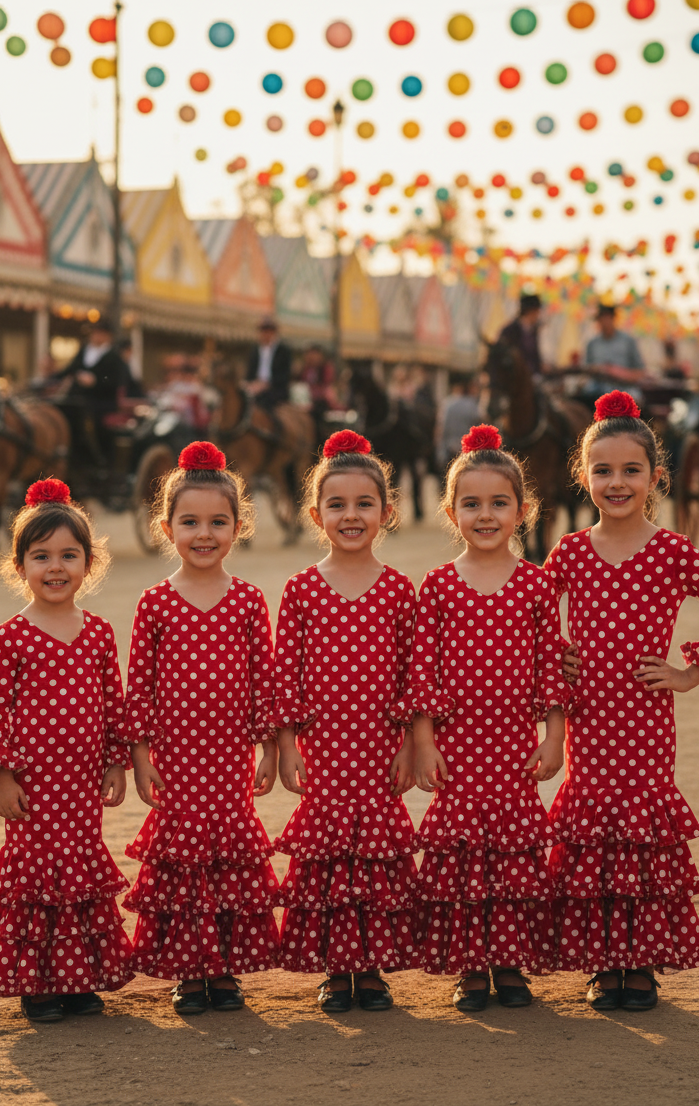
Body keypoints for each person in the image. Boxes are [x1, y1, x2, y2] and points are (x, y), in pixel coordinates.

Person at [545, 390, 699, 1011]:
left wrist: (691, 671)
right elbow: (533, 618)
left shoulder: (671, 550)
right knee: (594, 826)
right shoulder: (570, 552)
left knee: (640, 828)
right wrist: (558, 657)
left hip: (645, 720)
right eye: (603, 470)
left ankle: (640, 961)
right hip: (589, 717)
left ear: (655, 477)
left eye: (630, 470)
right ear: (583, 476)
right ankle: (603, 958)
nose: (617, 482)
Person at [398, 425, 569, 1011]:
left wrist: (555, 737)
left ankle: (510, 961)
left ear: (523, 511)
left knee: (514, 852)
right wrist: (423, 741)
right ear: (451, 512)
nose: (486, 515)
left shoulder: (538, 586)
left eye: (499, 504)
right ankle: (471, 965)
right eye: (472, 504)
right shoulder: (438, 587)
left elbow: (551, 668)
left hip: (514, 746)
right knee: (463, 856)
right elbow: (421, 673)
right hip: (460, 746)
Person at [0, 479, 132, 1023]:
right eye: (41, 557)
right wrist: (3, 778)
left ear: (88, 562)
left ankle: (79, 978)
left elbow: (113, 703)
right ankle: (38, 983)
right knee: (36, 870)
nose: (55, 568)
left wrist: (114, 764)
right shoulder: (12, 636)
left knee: (79, 866)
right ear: (19, 565)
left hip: (81, 782)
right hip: (33, 785)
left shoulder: (99, 633)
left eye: (68, 556)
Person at [120, 441, 281, 1015]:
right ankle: (189, 969)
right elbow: (137, 688)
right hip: (175, 760)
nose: (204, 533)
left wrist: (269, 750)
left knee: (227, 854)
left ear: (239, 526)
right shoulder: (155, 602)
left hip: (230, 757)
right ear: (166, 528)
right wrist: (140, 757)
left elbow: (266, 680)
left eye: (217, 521)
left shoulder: (247, 600)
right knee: (182, 854)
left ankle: (225, 967)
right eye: (190, 522)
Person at [272, 430, 417, 1013]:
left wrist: (410, 745)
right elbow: (287, 677)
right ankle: (336, 968)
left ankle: (373, 967)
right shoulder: (301, 590)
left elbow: (414, 678)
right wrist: (287, 747)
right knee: (329, 851)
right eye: (337, 505)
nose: (351, 515)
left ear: (387, 511)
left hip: (381, 749)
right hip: (325, 750)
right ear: (316, 514)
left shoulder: (400, 592)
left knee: (377, 853)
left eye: (364, 504)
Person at [53, 320, 127, 469]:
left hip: (101, 401)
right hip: (77, 399)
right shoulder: (84, 351)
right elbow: (69, 370)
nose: (95, 336)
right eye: (94, 333)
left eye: (99, 333)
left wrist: (95, 382)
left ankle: (99, 461)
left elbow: (115, 381)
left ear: (108, 336)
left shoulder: (114, 357)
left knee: (93, 423)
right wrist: (49, 379)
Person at [581, 304, 645, 405]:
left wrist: (618, 373)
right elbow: (586, 370)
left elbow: (640, 372)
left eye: (606, 318)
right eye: (601, 319)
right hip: (598, 387)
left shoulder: (628, 341)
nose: (603, 322)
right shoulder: (592, 344)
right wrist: (596, 370)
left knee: (635, 400)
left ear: (613, 319)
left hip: (624, 387)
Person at [245, 316, 292, 412]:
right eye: (263, 331)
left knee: (263, 401)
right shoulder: (255, 350)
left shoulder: (283, 351)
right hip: (255, 386)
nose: (265, 334)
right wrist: (249, 383)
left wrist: (265, 384)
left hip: (275, 388)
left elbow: (285, 375)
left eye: (269, 331)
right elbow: (250, 372)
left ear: (274, 333)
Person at [495, 293, 544, 379]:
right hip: (514, 379)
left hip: (533, 377)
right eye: (537, 312)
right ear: (531, 311)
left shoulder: (533, 330)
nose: (538, 315)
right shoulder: (509, 331)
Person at [435, 375, 480, 468]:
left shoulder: (447, 404)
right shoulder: (473, 405)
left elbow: (442, 429)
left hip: (450, 449)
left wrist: (440, 451)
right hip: (468, 451)